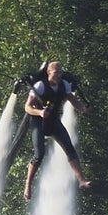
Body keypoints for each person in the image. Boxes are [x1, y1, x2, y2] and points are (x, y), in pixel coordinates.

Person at [23, 61, 92, 200]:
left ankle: (82, 180)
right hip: (39, 122)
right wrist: (40, 112)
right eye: (56, 73)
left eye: (60, 72)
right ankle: (28, 185)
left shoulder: (64, 85)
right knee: (39, 154)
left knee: (69, 148)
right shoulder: (40, 86)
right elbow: (27, 107)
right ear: (49, 73)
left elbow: (73, 100)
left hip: (53, 121)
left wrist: (83, 109)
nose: (59, 75)